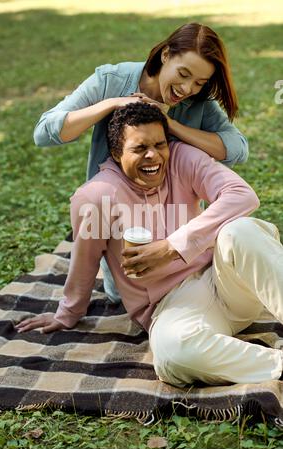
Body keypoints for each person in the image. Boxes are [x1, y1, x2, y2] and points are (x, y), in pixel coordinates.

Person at [18, 102, 283, 386]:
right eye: (139, 148)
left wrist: (172, 246)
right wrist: (69, 312)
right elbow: (86, 259)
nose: (153, 155)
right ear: (117, 152)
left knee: (241, 231)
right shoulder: (95, 197)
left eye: (160, 144)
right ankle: (276, 366)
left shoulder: (182, 158)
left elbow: (243, 195)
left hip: (226, 278)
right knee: (173, 355)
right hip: (174, 306)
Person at [33, 22, 249, 304]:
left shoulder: (199, 104)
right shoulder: (112, 79)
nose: (186, 88)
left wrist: (170, 124)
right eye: (183, 74)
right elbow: (45, 132)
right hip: (128, 252)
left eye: (199, 83)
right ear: (166, 55)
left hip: (186, 251)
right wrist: (112, 104)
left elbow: (237, 149)